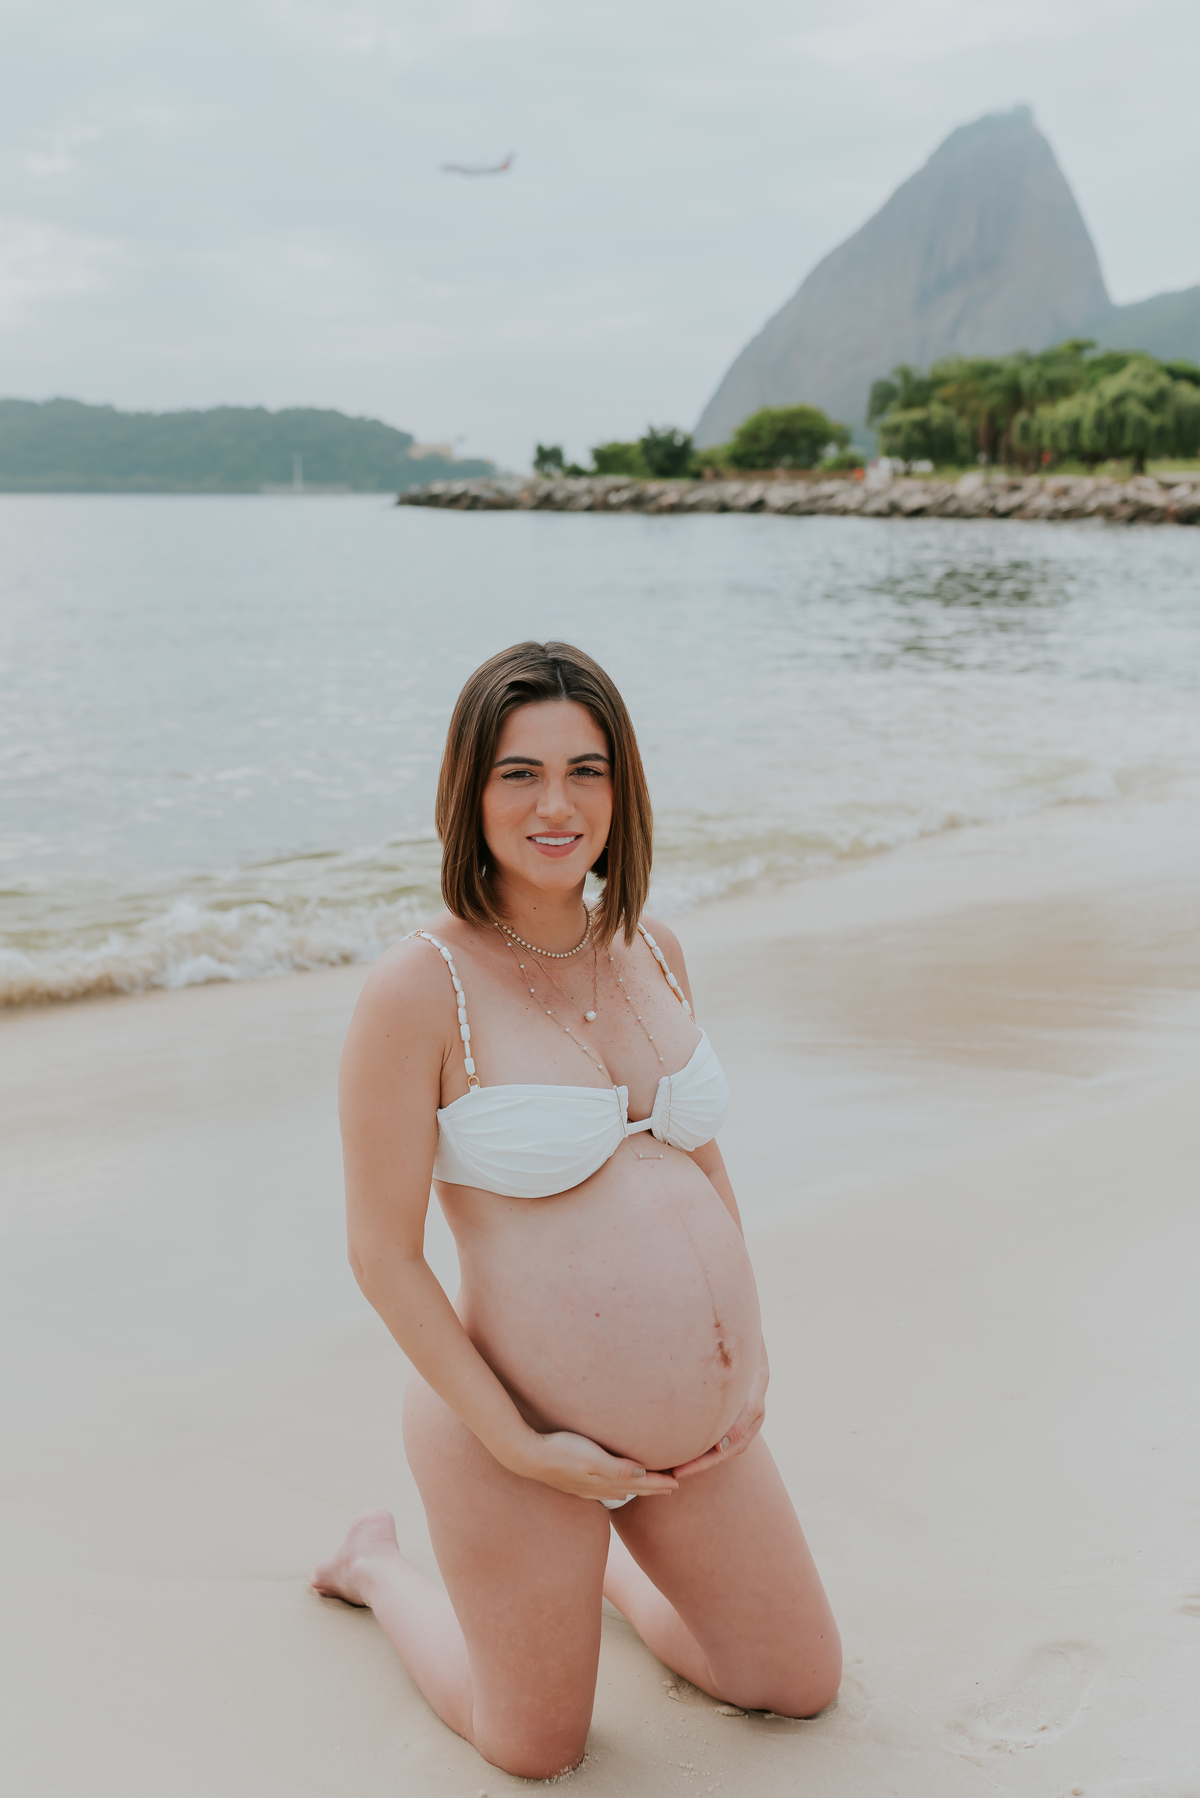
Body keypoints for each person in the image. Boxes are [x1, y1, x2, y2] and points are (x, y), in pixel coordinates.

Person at [312, 641, 840, 1777]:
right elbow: (382, 1254)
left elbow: (700, 1161)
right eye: (521, 773)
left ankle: (603, 1573)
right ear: (469, 791)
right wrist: (521, 1443)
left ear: (621, 787)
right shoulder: (419, 987)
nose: (556, 805)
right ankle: (374, 1566)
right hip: (513, 1431)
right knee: (537, 1749)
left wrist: (745, 1357)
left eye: (585, 771)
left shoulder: (656, 948)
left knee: (795, 1684)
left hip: (699, 1436)